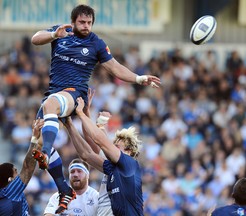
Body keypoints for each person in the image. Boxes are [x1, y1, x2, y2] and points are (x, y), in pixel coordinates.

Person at [30, 4, 160, 212]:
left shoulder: (96, 43)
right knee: (35, 139)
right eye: (82, 22)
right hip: (55, 94)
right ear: (73, 22)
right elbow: (35, 39)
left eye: (89, 22)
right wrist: (54, 35)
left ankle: (46, 153)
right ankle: (62, 187)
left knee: (50, 107)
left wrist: (138, 78)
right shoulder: (61, 32)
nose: (86, 26)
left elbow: (115, 67)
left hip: (74, 94)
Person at [63, 96, 144, 216]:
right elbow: (86, 154)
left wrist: (81, 114)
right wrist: (69, 124)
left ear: (129, 151)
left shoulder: (129, 164)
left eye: (116, 147)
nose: (112, 149)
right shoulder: (112, 167)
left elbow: (99, 140)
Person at [0, 118, 44, 215]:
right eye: (15, 171)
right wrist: (35, 138)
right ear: (9, 179)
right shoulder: (10, 192)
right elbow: (27, 168)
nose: (19, 173)